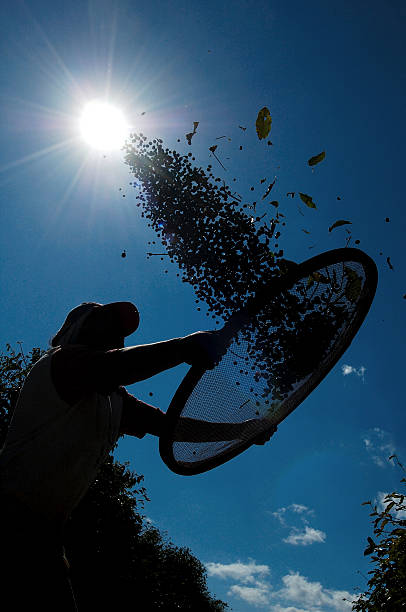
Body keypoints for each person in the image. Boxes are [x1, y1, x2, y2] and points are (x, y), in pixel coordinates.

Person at [0, 301, 275, 610]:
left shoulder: (115, 399)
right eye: (106, 322)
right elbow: (114, 367)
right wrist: (184, 347)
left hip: (46, 534)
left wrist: (240, 432)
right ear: (79, 327)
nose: (117, 335)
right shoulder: (61, 363)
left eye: (120, 332)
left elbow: (170, 426)